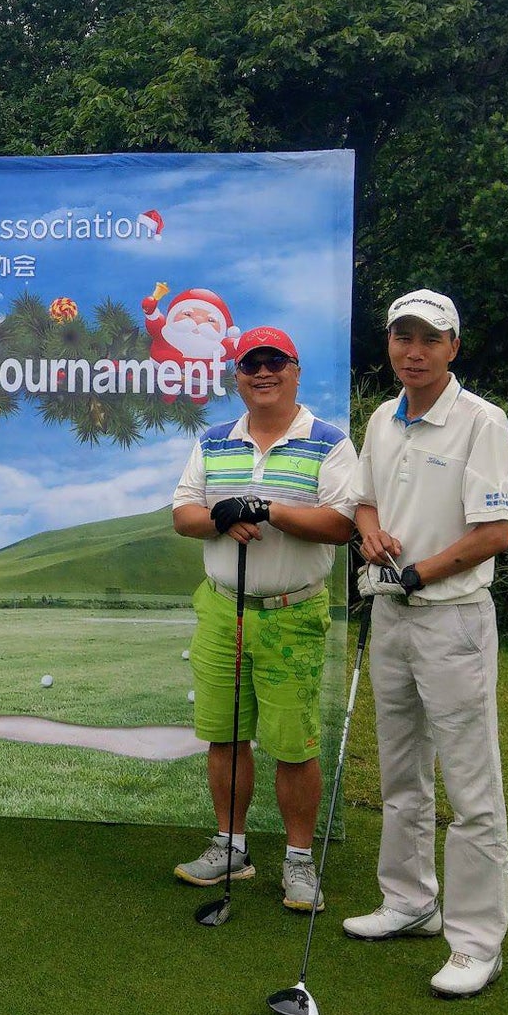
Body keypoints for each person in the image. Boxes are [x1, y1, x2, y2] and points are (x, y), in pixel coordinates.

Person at [342, 289, 508, 1000]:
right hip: (392, 617)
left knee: (471, 788)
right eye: (401, 337)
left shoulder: (481, 421)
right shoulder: (384, 417)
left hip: (451, 620)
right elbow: (364, 495)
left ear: (453, 347)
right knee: (401, 771)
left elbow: (494, 533)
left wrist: (415, 572)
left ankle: (477, 942)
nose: (413, 351)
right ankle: (409, 899)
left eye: (429, 339)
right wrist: (370, 531)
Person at [169, 327, 358, 910]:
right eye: (251, 364)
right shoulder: (214, 441)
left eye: (275, 361)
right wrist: (222, 515)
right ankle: (232, 846)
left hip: (291, 612)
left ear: (295, 371)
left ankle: (299, 860)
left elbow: (342, 524)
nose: (262, 372)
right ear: (237, 377)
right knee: (226, 735)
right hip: (224, 607)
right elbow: (183, 514)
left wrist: (270, 510)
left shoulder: (329, 442)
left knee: (293, 744)